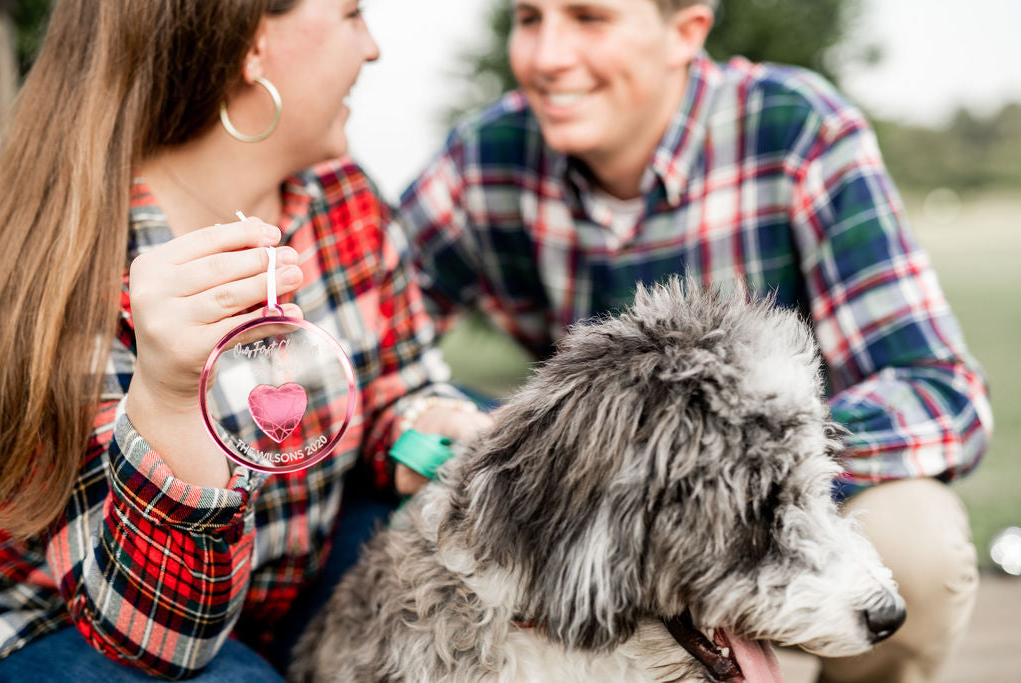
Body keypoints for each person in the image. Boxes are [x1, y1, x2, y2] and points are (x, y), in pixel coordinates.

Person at [398, 1, 993, 681]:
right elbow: (372, 329)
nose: (546, 56)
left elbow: (939, 387)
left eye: (589, 18)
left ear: (688, 32)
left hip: (801, 498)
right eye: (529, 18)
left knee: (921, 547)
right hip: (605, 517)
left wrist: (749, 465)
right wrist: (424, 415)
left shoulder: (799, 130)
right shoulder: (486, 153)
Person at [0, 0, 488, 680]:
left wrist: (425, 429)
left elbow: (390, 387)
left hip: (280, 589)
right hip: (84, 625)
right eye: (350, 15)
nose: (372, 48)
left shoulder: (343, 198)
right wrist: (169, 395)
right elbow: (158, 639)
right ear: (253, 45)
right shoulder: (74, 261)